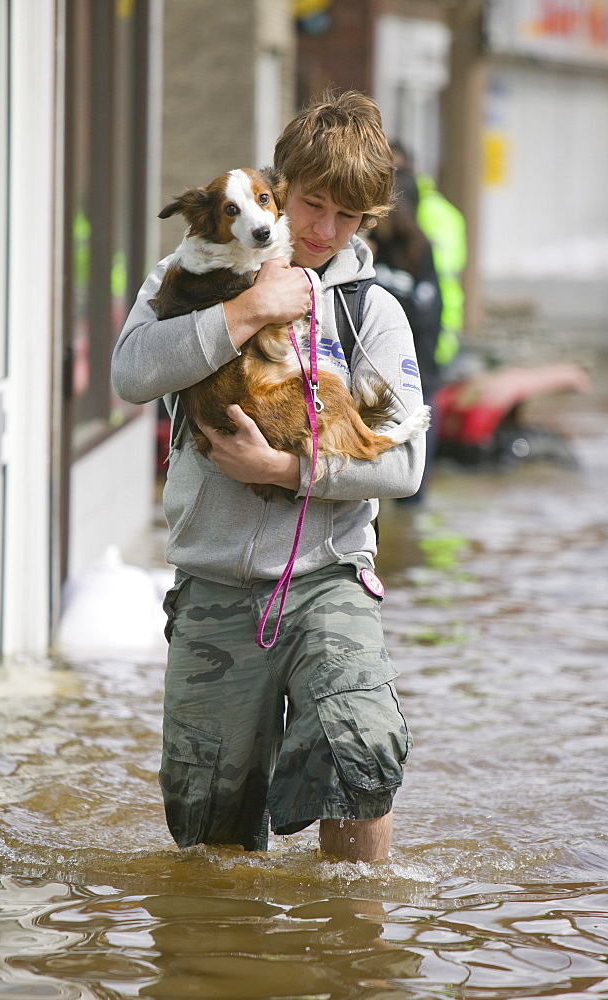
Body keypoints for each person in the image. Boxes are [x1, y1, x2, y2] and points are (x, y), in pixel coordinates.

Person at [111, 91, 426, 862]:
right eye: (312, 204)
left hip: (329, 578)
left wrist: (282, 469)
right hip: (215, 583)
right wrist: (249, 310)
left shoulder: (370, 313)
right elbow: (129, 374)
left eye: (347, 217)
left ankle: (357, 947)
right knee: (211, 827)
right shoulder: (192, 273)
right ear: (277, 186)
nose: (323, 230)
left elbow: (404, 463)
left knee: (361, 757)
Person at [368, 159, 443, 502]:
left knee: (412, 484)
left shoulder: (419, 250)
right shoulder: (368, 252)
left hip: (421, 373)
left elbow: (426, 310)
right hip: (376, 379)